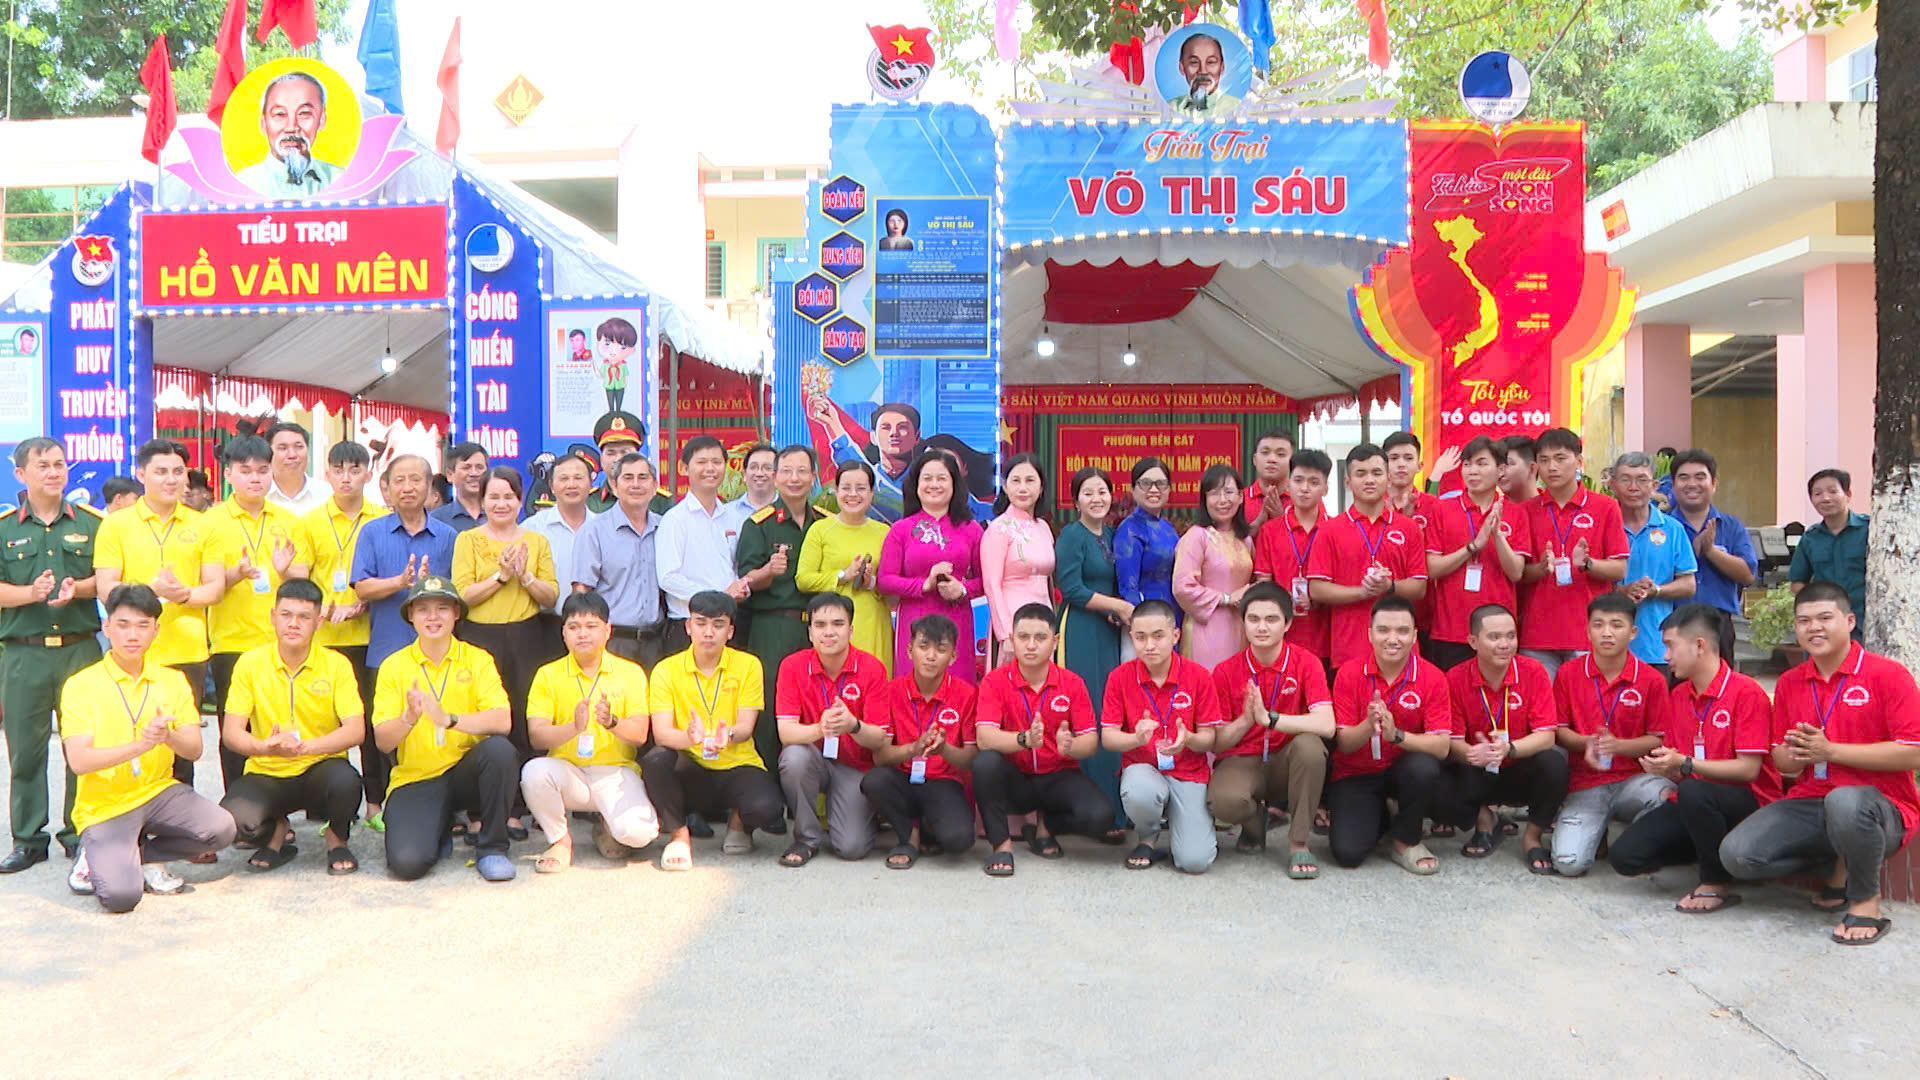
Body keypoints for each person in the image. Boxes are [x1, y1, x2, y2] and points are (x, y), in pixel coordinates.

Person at [1721, 583, 1920, 946]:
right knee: (1737, 856)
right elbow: (1784, 763)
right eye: (1804, 621)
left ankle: (1865, 902)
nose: (1814, 627)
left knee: (1845, 801)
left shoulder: (1888, 675)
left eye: (1825, 618)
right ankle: (1838, 860)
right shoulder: (1790, 682)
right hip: (1813, 799)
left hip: (1880, 805)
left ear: (1849, 621)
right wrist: (1793, 754)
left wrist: (1831, 752)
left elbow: (1913, 752)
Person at [59, 585, 235, 911]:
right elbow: (80, 761)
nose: (132, 635)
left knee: (222, 829)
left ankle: (143, 856)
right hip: (106, 804)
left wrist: (168, 737)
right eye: (123, 625)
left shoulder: (172, 680)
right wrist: (141, 745)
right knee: (121, 897)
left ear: (156, 630)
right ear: (106, 627)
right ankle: (94, 855)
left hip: (157, 792)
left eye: (143, 625)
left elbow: (194, 750)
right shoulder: (81, 685)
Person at [1609, 604, 1779, 913]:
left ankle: (1715, 882)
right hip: (1695, 801)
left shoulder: (1746, 692)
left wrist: (1685, 764)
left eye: (1670, 646)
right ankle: (1714, 854)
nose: (1665, 656)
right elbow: (1681, 768)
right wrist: (1664, 768)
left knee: (1694, 790)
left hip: (1748, 803)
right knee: (1625, 857)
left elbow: (1749, 770)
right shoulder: (1679, 695)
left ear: (1699, 645)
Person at [94, 439, 225, 787]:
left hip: (187, 652)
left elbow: (215, 588)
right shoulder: (116, 525)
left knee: (181, 749)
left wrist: (184, 594)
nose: (171, 479)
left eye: (178, 472)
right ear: (141, 474)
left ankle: (179, 817)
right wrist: (150, 592)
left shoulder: (205, 525)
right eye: (161, 471)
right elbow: (106, 587)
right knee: (128, 740)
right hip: (132, 650)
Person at [371, 576, 517, 882]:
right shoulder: (394, 666)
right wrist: (409, 717)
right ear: (411, 616)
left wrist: (449, 719)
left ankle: (492, 848)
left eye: (442, 608)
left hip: (465, 773)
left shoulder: (477, 659)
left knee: (500, 752)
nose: (433, 617)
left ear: (456, 614)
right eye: (423, 609)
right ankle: (440, 828)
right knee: (407, 865)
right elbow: (383, 742)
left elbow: (503, 720)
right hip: (417, 778)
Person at [0, 438, 102, 872]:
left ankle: (81, 832)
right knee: (25, 751)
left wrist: (77, 589)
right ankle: (28, 839)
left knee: (85, 747)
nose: (53, 472)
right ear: (20, 474)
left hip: (80, 650)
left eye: (59, 464)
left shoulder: (93, 523)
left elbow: (109, 579)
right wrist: (31, 593)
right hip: (24, 655)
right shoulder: (5, 529)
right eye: (42, 465)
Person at [217, 579, 365, 875]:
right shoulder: (249, 663)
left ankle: (336, 838)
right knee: (231, 823)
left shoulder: (337, 665)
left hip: (320, 767)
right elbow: (231, 733)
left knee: (347, 783)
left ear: (318, 622)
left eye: (304, 617)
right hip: (267, 769)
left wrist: (306, 748)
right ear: (273, 617)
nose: (293, 624)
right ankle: (277, 829)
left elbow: (355, 730)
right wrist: (264, 747)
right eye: (286, 615)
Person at [452, 466, 560, 840]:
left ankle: (516, 809)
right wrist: (500, 577)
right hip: (479, 637)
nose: (501, 503)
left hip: (526, 636)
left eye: (508, 496)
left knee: (521, 720)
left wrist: (525, 576)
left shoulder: (537, 541)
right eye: (493, 496)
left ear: (520, 499)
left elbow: (551, 596)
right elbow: (462, 596)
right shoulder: (468, 540)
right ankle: (480, 811)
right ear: (482, 501)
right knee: (481, 721)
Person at [640, 590, 782, 869]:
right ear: (688, 626)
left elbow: (745, 727)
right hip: (690, 765)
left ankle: (738, 824)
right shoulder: (665, 670)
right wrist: (689, 738)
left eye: (718, 625)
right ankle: (679, 836)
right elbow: (662, 733)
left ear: (730, 631)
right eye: (701, 623)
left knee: (768, 807)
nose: (708, 632)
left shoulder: (748, 665)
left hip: (736, 762)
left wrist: (726, 736)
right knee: (656, 760)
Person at [520, 591, 659, 873]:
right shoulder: (548, 674)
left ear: (608, 631)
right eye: (574, 627)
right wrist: (573, 728)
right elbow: (537, 736)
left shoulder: (630, 672)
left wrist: (612, 722)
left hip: (616, 773)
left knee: (638, 834)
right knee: (534, 772)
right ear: (563, 633)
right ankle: (561, 841)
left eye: (591, 626)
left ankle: (606, 826)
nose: (582, 634)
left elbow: (640, 735)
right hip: (569, 773)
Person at [971, 603, 1111, 876]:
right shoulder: (995, 681)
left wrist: (1070, 746)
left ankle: (1045, 829)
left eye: (1040, 637)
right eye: (1023, 637)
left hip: (1058, 776)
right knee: (985, 763)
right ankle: (1001, 846)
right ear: (1012, 640)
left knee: (1101, 817)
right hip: (1015, 780)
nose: (1031, 645)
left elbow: (1091, 742)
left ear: (1055, 641)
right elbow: (984, 738)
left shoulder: (1072, 683)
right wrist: (1023, 739)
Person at [290, 440, 387, 829]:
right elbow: (300, 577)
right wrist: (325, 611)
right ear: (327, 474)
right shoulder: (310, 522)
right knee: (325, 723)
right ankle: (327, 807)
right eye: (339, 470)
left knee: (370, 722)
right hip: (324, 638)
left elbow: (386, 577)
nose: (347, 478)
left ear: (368, 474)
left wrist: (363, 602)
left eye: (355, 470)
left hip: (370, 637)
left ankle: (376, 801)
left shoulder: (381, 519)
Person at [1206, 582, 1334, 878]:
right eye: (1253, 619)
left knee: (1311, 748)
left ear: (1287, 624)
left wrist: (1271, 719)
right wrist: (1246, 720)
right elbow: (1217, 744)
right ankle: (1255, 824)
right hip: (1244, 759)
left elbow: (1327, 724)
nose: (1262, 627)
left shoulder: (1306, 662)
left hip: (1288, 760)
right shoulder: (1226, 670)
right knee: (1223, 802)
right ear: (1243, 623)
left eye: (1271, 619)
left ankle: (1298, 843)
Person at [1324, 596, 1455, 874]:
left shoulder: (1433, 677)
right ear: (1370, 634)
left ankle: (1406, 841)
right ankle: (1382, 816)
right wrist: (1367, 724)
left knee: (1423, 767)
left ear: (1415, 636)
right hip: (1356, 773)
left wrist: (1397, 735)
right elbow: (1345, 744)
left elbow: (1442, 746)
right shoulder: (1349, 673)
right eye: (1383, 630)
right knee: (1347, 854)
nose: (1392, 639)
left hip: (1403, 770)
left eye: (1402, 631)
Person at [1549, 592, 1676, 877]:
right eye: (1598, 625)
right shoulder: (1568, 673)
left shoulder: (1652, 679)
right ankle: (1596, 831)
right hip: (1586, 783)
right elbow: (1559, 731)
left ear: (1633, 632)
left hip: (1634, 780)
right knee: (1569, 864)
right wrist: (1587, 743)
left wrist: (1618, 746)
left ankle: (1629, 841)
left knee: (1666, 798)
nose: (1607, 633)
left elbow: (1658, 738)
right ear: (1587, 631)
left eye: (1617, 625)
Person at [204, 435, 302, 788]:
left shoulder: (288, 520)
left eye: (262, 470)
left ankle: (276, 803)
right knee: (235, 729)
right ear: (228, 474)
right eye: (245, 471)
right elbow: (207, 585)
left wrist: (285, 571)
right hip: (231, 642)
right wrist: (236, 574)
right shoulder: (211, 521)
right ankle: (239, 803)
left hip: (281, 642)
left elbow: (302, 582)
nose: (255, 478)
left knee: (276, 723)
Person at [1101, 599, 1224, 873]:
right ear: (1131, 637)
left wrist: (1188, 739)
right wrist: (1135, 739)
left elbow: (1210, 738)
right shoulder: (1119, 677)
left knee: (1195, 862)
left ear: (1175, 635)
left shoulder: (1199, 676)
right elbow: (1108, 737)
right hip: (1143, 768)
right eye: (1140, 637)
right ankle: (1147, 836)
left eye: (1158, 636)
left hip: (1189, 772)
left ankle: (1189, 826)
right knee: (1139, 791)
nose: (1150, 645)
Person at [1444, 604, 1569, 874]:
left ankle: (1532, 837)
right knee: (1433, 768)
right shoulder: (1455, 677)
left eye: (1511, 636)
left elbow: (1547, 736)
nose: (1504, 644)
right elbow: (1451, 741)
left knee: (1554, 763)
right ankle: (1485, 820)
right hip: (1476, 769)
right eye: (1494, 637)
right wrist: (1473, 753)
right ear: (1473, 641)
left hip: (1518, 767)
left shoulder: (1533, 671)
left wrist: (1509, 749)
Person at [773, 592, 890, 865]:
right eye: (820, 625)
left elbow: (879, 739)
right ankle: (806, 839)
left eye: (838, 624)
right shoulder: (792, 666)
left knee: (852, 848)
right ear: (810, 632)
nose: (829, 632)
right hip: (813, 759)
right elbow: (786, 732)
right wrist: (820, 729)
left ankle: (866, 817)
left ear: (851, 630)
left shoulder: (872, 668)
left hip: (854, 767)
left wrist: (853, 725)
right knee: (793, 757)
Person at [861, 614, 979, 869]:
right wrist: (913, 748)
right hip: (902, 778)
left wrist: (944, 749)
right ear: (909, 651)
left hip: (943, 781)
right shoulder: (891, 691)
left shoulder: (966, 694)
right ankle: (909, 837)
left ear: (953, 657)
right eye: (923, 647)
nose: (931, 656)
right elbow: (879, 757)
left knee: (959, 840)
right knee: (874, 780)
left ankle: (928, 826)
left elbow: (971, 759)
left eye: (941, 649)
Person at [736, 444, 827, 778]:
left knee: (815, 702)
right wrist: (767, 572)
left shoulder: (823, 523)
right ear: (775, 477)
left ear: (814, 477)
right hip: (773, 627)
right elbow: (745, 581)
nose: (794, 478)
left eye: (802, 471)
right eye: (787, 471)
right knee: (772, 703)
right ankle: (767, 783)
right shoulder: (759, 524)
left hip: (816, 629)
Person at [1053, 466, 1132, 839]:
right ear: (1076, 500)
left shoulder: (1113, 535)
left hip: (1108, 630)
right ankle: (1090, 811)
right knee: (1089, 710)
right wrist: (1115, 605)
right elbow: (1071, 588)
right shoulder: (1072, 536)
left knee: (1113, 710)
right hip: (1080, 628)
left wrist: (1116, 610)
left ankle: (1116, 808)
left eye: (1102, 491)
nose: (1097, 498)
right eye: (1088, 492)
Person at [1517, 429, 1629, 676]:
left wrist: (1588, 564)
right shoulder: (1526, 510)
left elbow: (1619, 568)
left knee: (1586, 700)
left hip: (1588, 632)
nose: (1552, 467)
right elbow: (1518, 573)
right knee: (1540, 701)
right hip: (1538, 635)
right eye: (1544, 460)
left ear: (1579, 461)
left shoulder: (1605, 507)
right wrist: (1540, 569)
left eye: (1560, 458)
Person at [1307, 444, 1428, 670]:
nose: (1369, 480)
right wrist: (1363, 592)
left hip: (1400, 650)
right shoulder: (1330, 529)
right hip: (1349, 650)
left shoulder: (1409, 528)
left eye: (1376, 473)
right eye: (1360, 473)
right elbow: (1316, 589)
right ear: (1347, 482)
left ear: (1389, 479)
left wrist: (1389, 586)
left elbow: (1419, 587)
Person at [877, 449, 984, 683]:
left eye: (941, 478)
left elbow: (986, 581)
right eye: (927, 478)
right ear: (916, 484)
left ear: (954, 484)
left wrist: (962, 590)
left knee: (957, 687)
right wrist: (924, 585)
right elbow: (885, 580)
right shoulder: (901, 530)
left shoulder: (972, 529)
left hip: (957, 620)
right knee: (912, 687)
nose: (934, 485)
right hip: (914, 620)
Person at [351, 454, 458, 687]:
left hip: (438, 656)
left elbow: (457, 593)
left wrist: (429, 587)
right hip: (386, 651)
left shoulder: (448, 536)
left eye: (415, 480)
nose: (407, 487)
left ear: (429, 485)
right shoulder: (371, 532)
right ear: (387, 488)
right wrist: (399, 582)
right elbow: (362, 588)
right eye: (399, 481)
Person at [1423, 436, 1529, 671]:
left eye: (1482, 463)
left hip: (1498, 632)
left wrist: (1497, 536)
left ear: (1500, 469)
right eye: (1467, 464)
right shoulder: (1442, 509)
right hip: (1451, 629)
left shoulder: (1515, 513)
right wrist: (1473, 547)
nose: (1472, 471)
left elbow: (1516, 573)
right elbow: (1432, 569)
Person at [657, 435, 752, 655]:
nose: (710, 468)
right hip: (688, 624)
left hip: (726, 623)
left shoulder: (733, 517)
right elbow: (668, 577)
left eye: (716, 462)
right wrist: (718, 596)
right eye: (701, 462)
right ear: (684, 468)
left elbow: (735, 567)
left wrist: (742, 588)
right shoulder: (675, 519)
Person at [573, 451, 668, 669]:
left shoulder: (665, 528)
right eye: (628, 478)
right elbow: (581, 591)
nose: (636, 485)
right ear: (614, 486)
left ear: (654, 487)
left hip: (657, 641)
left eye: (643, 478)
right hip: (613, 641)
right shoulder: (595, 531)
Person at [794, 460, 893, 668]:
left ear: (872, 492)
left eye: (861, 488)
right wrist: (842, 576)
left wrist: (871, 581)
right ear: (836, 490)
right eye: (846, 488)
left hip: (872, 621)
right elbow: (803, 579)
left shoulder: (884, 532)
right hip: (832, 626)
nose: (853, 494)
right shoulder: (820, 530)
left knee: (873, 678)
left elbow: (893, 586)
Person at [1612, 452, 1697, 676]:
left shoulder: (1672, 529)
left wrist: (1656, 590)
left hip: (1656, 647)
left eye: (1642, 480)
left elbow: (1689, 584)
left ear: (1654, 486)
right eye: (1625, 480)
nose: (1633, 487)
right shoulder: (1603, 525)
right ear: (1613, 485)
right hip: (1608, 646)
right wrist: (1621, 591)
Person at [1668, 450, 1758, 661]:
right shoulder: (1662, 527)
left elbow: (1747, 575)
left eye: (1700, 477)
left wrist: (1711, 551)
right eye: (1684, 477)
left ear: (1714, 484)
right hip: (1672, 622)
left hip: (1718, 623)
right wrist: (1693, 551)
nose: (1692, 484)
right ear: (1673, 485)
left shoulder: (1731, 526)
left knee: (1720, 680)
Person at [1252, 448, 1334, 663]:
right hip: (1281, 641)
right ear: (1288, 484)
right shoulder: (1270, 531)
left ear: (1325, 489)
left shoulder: (1336, 530)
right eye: (1298, 480)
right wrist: (1284, 599)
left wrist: (1317, 598)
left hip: (1327, 640)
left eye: (1314, 482)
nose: (1305, 488)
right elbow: (1263, 582)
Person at [1173, 463, 1254, 667]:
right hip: (1207, 628)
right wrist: (1226, 598)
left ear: (1241, 496)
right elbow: (1182, 587)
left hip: (1241, 627)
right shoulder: (1196, 536)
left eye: (1229, 492)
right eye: (1215, 493)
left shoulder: (1245, 540)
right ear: (1205, 499)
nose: (1223, 500)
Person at [981, 454, 1055, 665]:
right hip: (1013, 622)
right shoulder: (999, 528)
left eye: (1030, 480)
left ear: (1041, 487)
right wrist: (1005, 634)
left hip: (1044, 620)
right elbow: (992, 585)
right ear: (1005, 486)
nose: (1023, 488)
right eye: (1016, 481)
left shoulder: (1043, 527)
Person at [524, 452, 593, 652]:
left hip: (592, 627)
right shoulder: (533, 528)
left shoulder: (603, 527)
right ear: (552, 486)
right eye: (564, 479)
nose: (571, 485)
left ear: (590, 483)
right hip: (545, 628)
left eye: (578, 478)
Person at [1788, 468, 1869, 638]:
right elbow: (1797, 582)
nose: (1825, 498)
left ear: (1848, 494)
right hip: (1824, 626)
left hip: (1866, 621)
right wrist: (1814, 608)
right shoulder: (1810, 538)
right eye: (1817, 493)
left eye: (1833, 491)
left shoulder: (1870, 530)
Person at [814, 400, 922, 523]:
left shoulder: (925, 482)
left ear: (917, 436)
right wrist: (832, 424)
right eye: (886, 427)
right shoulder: (863, 480)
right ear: (873, 437)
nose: (894, 433)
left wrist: (834, 425)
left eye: (902, 427)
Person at [237, 71, 339, 198]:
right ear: (263, 123)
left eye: (304, 113)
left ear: (322, 120)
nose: (291, 127)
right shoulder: (242, 183)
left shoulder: (339, 179)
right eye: (280, 114)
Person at [1114, 456, 1180, 623]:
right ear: (1133, 489)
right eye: (1145, 483)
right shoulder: (1129, 530)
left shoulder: (1168, 529)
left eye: (1161, 483)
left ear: (1169, 489)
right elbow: (1128, 589)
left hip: (1172, 618)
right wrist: (1146, 624)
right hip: (1146, 622)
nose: (1154, 489)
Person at [584, 412, 672, 515]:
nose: (617, 459)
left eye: (625, 452)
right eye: (611, 453)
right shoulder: (587, 502)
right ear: (601, 459)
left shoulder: (660, 502)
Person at [264, 421, 329, 516]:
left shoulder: (327, 494)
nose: (292, 455)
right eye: (283, 448)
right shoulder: (257, 496)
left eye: (299, 447)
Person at [1170, 31, 1241, 116]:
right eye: (1194, 62)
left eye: (1211, 62)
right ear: (1182, 68)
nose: (1203, 71)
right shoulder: (1171, 108)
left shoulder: (1237, 108)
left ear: (1222, 67)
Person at [1243, 429, 1294, 532]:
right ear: (1255, 459)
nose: (1272, 459)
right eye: (1265, 452)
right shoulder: (1240, 499)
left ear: (1292, 461)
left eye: (1280, 454)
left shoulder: (1304, 498)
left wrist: (1281, 520)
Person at [433, 443, 489, 532]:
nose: (474, 473)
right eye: (466, 468)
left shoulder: (500, 514)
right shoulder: (437, 520)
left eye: (479, 467)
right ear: (450, 475)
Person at [594, 317, 638, 415]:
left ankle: (618, 411)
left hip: (620, 385)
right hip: (609, 385)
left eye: (622, 346)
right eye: (607, 343)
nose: (613, 351)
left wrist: (625, 384)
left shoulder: (622, 365)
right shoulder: (605, 365)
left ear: (632, 350)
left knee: (619, 399)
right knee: (610, 399)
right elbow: (600, 374)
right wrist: (593, 366)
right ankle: (611, 411)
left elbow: (625, 376)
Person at [1500, 435, 1539, 504]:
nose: (1500, 472)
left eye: (1508, 463)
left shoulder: (1552, 508)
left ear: (1532, 469)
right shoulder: (1494, 508)